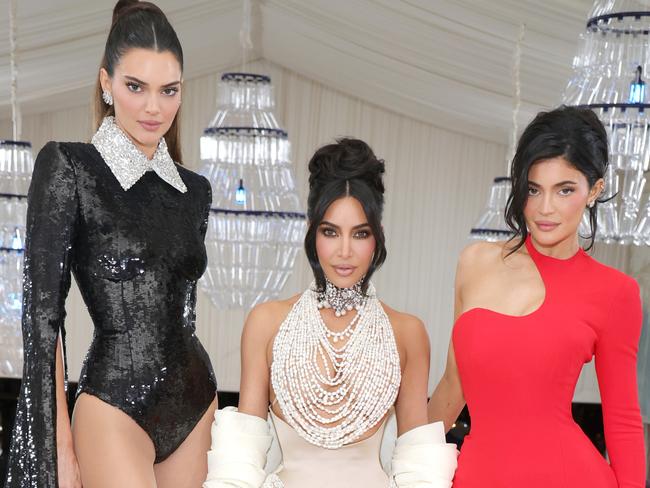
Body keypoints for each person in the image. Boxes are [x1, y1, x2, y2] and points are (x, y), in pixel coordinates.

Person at [5, 2, 217, 487]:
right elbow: (43, 317)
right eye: (135, 86)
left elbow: (183, 313)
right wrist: (57, 444)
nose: (153, 107)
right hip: (113, 404)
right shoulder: (70, 168)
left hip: (196, 400)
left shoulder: (196, 191)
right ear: (106, 83)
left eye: (169, 91)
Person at [203, 138, 458, 488]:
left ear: (377, 237)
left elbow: (419, 465)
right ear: (312, 232)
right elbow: (241, 456)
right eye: (330, 232)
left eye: (360, 234)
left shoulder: (407, 332)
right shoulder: (266, 322)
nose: (344, 251)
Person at [427, 106, 646, 487]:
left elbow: (622, 421)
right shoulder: (475, 262)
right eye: (533, 189)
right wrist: (406, 459)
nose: (544, 209)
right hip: (477, 475)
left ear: (593, 190)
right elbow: (452, 386)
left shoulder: (616, 293)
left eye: (565, 190)